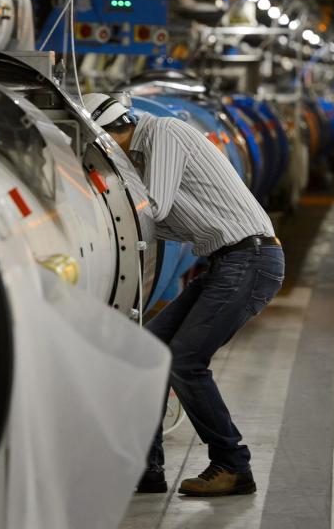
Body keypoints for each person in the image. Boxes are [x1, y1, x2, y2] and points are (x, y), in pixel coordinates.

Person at [83, 93, 285, 497]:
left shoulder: (164, 132)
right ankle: (146, 468)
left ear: (107, 135)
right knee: (150, 351)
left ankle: (232, 464)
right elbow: (163, 224)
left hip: (250, 257)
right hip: (226, 261)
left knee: (186, 360)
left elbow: (152, 209)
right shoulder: (143, 155)